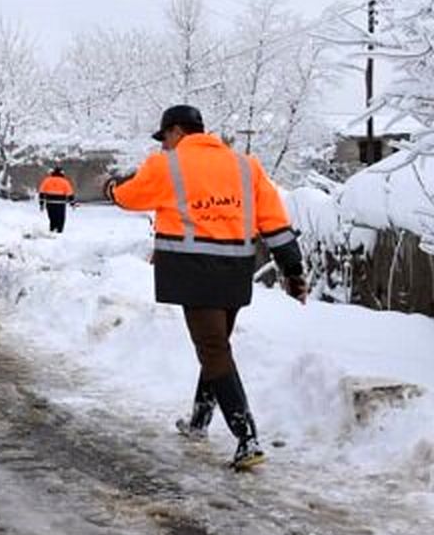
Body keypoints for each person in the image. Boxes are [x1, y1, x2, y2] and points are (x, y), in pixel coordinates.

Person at [104, 104, 306, 472]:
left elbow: (130, 197)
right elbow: (275, 223)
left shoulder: (166, 165)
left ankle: (248, 439)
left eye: (165, 137)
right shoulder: (247, 166)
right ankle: (199, 422)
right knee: (217, 347)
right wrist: (294, 271)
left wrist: (111, 189)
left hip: (192, 270)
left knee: (213, 350)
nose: (164, 145)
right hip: (235, 272)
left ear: (177, 132)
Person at [38, 166, 75, 233]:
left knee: (52, 219)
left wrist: (41, 204)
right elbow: (70, 193)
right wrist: (72, 203)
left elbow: (41, 192)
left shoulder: (47, 180)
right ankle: (59, 232)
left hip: (50, 203)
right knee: (60, 219)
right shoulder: (65, 181)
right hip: (60, 203)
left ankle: (52, 230)